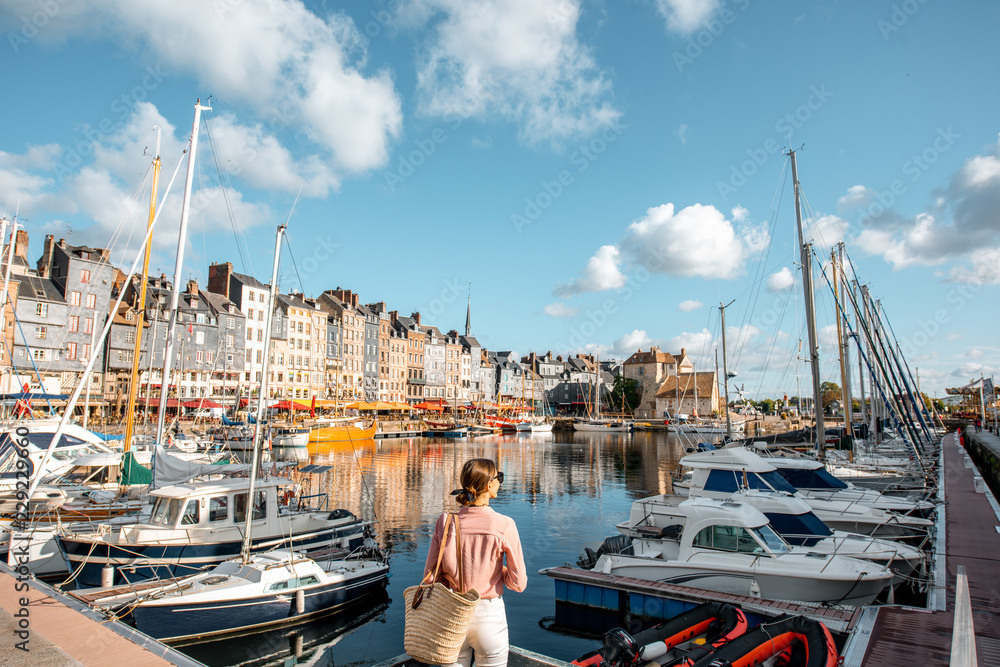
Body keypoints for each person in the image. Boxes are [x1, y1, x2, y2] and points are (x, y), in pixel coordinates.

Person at [423, 458, 527, 667]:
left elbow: (430, 578)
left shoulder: (445, 522)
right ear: (489, 485)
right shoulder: (504, 525)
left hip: (453, 613)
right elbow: (519, 583)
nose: (500, 482)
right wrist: (499, 571)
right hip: (489, 616)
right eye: (499, 477)